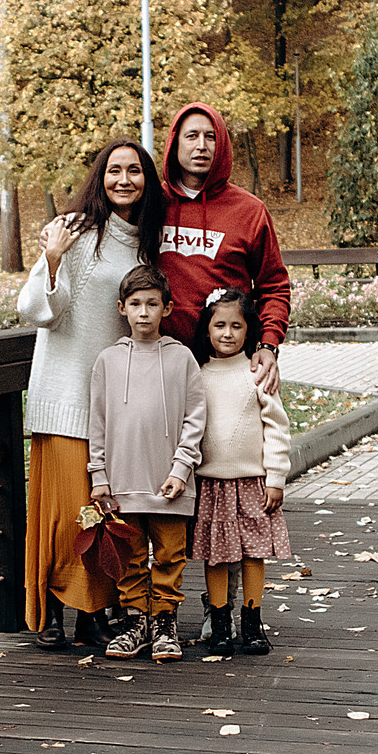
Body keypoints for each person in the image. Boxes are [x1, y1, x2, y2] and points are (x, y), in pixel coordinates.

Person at [15, 139, 163, 649]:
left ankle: (93, 612)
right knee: (64, 513)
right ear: (100, 177)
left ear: (148, 180)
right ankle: (53, 609)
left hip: (116, 400)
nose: (124, 180)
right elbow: (37, 310)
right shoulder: (75, 232)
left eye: (135, 171)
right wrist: (52, 260)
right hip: (65, 395)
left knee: (105, 512)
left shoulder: (145, 242)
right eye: (114, 170)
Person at [87, 265, 206, 662]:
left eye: (152, 304)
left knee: (171, 553)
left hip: (168, 481)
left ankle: (165, 622)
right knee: (132, 556)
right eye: (135, 304)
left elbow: (195, 418)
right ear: (122, 308)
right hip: (122, 481)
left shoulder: (182, 358)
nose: (143, 312)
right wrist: (99, 476)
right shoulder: (107, 361)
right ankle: (136, 620)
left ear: (167, 309)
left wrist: (181, 469)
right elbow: (97, 421)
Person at [156, 103, 294, 397]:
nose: (201, 146)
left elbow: (274, 287)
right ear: (174, 142)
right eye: (191, 136)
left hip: (229, 367)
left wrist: (268, 345)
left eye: (211, 136)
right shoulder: (152, 205)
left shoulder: (250, 211)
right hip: (162, 367)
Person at [189, 286, 290, 656]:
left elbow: (277, 428)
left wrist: (276, 477)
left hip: (253, 482)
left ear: (249, 331)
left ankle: (252, 621)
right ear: (208, 329)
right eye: (219, 325)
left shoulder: (257, 373)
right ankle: (219, 620)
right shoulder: (197, 374)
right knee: (216, 553)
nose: (227, 334)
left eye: (236, 326)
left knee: (253, 552)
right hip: (211, 482)